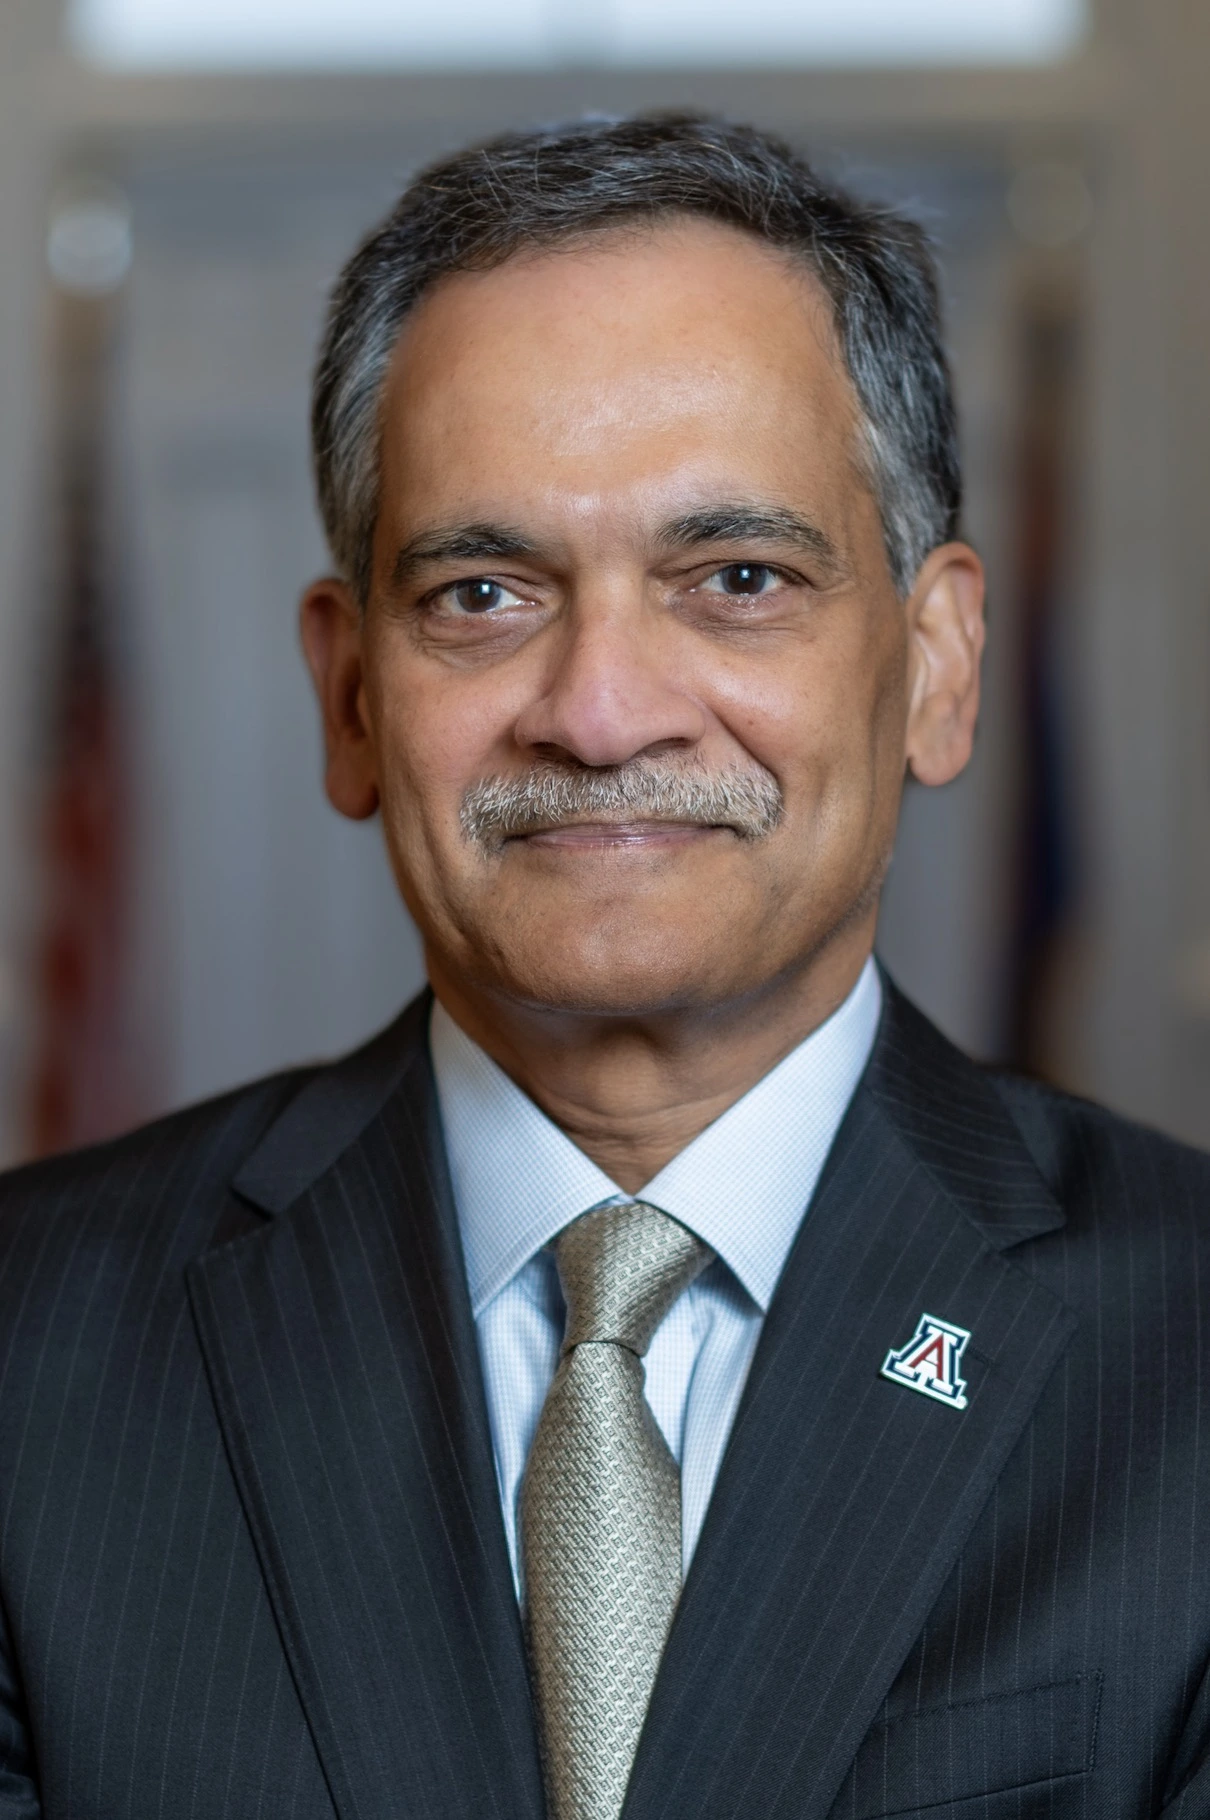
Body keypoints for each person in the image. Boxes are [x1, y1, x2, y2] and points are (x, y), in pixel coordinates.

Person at [0, 112, 1207, 1820]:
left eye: (736, 577)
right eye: (484, 593)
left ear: (935, 665)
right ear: (350, 698)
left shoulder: (1189, 1360)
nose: (599, 710)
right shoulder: (25, 1356)